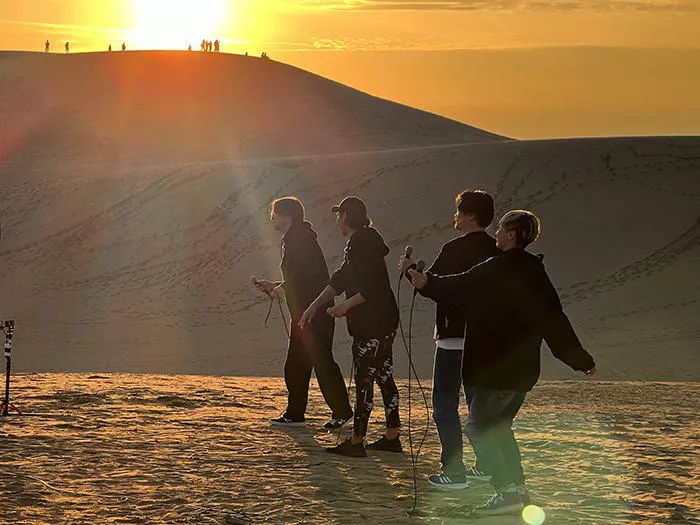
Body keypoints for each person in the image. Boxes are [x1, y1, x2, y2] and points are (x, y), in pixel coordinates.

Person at [409, 209, 597, 516]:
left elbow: (458, 286)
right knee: (499, 429)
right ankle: (517, 490)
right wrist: (580, 360)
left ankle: (507, 492)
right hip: (521, 372)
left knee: (480, 428)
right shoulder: (536, 272)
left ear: (511, 234)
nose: (496, 234)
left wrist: (425, 282)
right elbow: (554, 320)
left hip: (494, 370)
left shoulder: (499, 268)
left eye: (501, 230)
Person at [401, 190, 500, 490]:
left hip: (454, 340)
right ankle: (485, 465)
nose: (454, 215)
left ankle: (454, 472)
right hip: (488, 341)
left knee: (445, 405)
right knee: (478, 406)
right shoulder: (499, 249)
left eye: (458, 210)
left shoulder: (454, 248)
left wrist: (408, 271)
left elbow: (428, 286)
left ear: (471, 215)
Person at [300, 197, 401, 458]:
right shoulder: (361, 242)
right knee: (383, 375)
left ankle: (357, 441)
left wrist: (346, 306)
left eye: (338, 215)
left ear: (345, 216)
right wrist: (314, 305)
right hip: (381, 321)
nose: (337, 221)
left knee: (365, 378)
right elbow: (342, 278)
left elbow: (374, 285)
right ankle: (392, 436)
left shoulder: (363, 242)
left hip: (373, 323)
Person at [253, 197, 353, 430]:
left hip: (314, 313)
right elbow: (299, 278)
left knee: (322, 362)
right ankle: (295, 413)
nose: (272, 217)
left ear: (287, 216)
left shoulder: (301, 240)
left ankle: (342, 412)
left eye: (275, 213)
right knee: (297, 365)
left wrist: (282, 288)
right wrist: (274, 285)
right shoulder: (296, 238)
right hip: (304, 313)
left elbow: (307, 278)